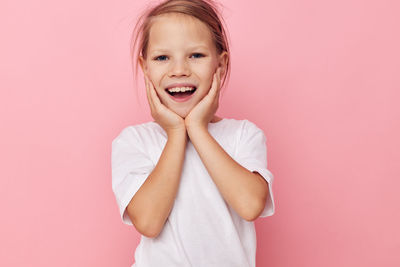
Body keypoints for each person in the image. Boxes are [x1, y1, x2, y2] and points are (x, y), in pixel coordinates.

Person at [111, 0, 275, 266]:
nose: (179, 70)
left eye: (196, 55)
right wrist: (176, 132)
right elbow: (149, 222)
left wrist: (197, 128)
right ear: (145, 67)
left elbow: (250, 205)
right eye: (162, 57)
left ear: (220, 64)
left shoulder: (243, 135)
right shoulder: (134, 141)